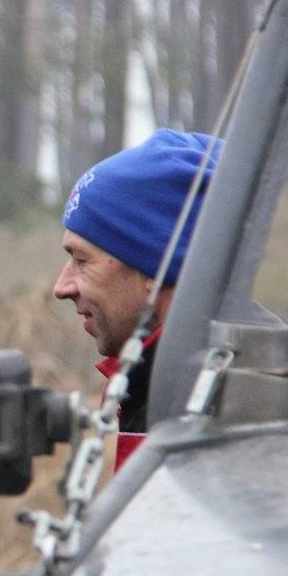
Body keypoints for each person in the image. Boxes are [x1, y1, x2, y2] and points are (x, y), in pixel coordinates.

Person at [52, 128, 222, 468]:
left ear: (157, 270)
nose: (61, 287)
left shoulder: (236, 406)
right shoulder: (157, 388)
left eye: (82, 260)